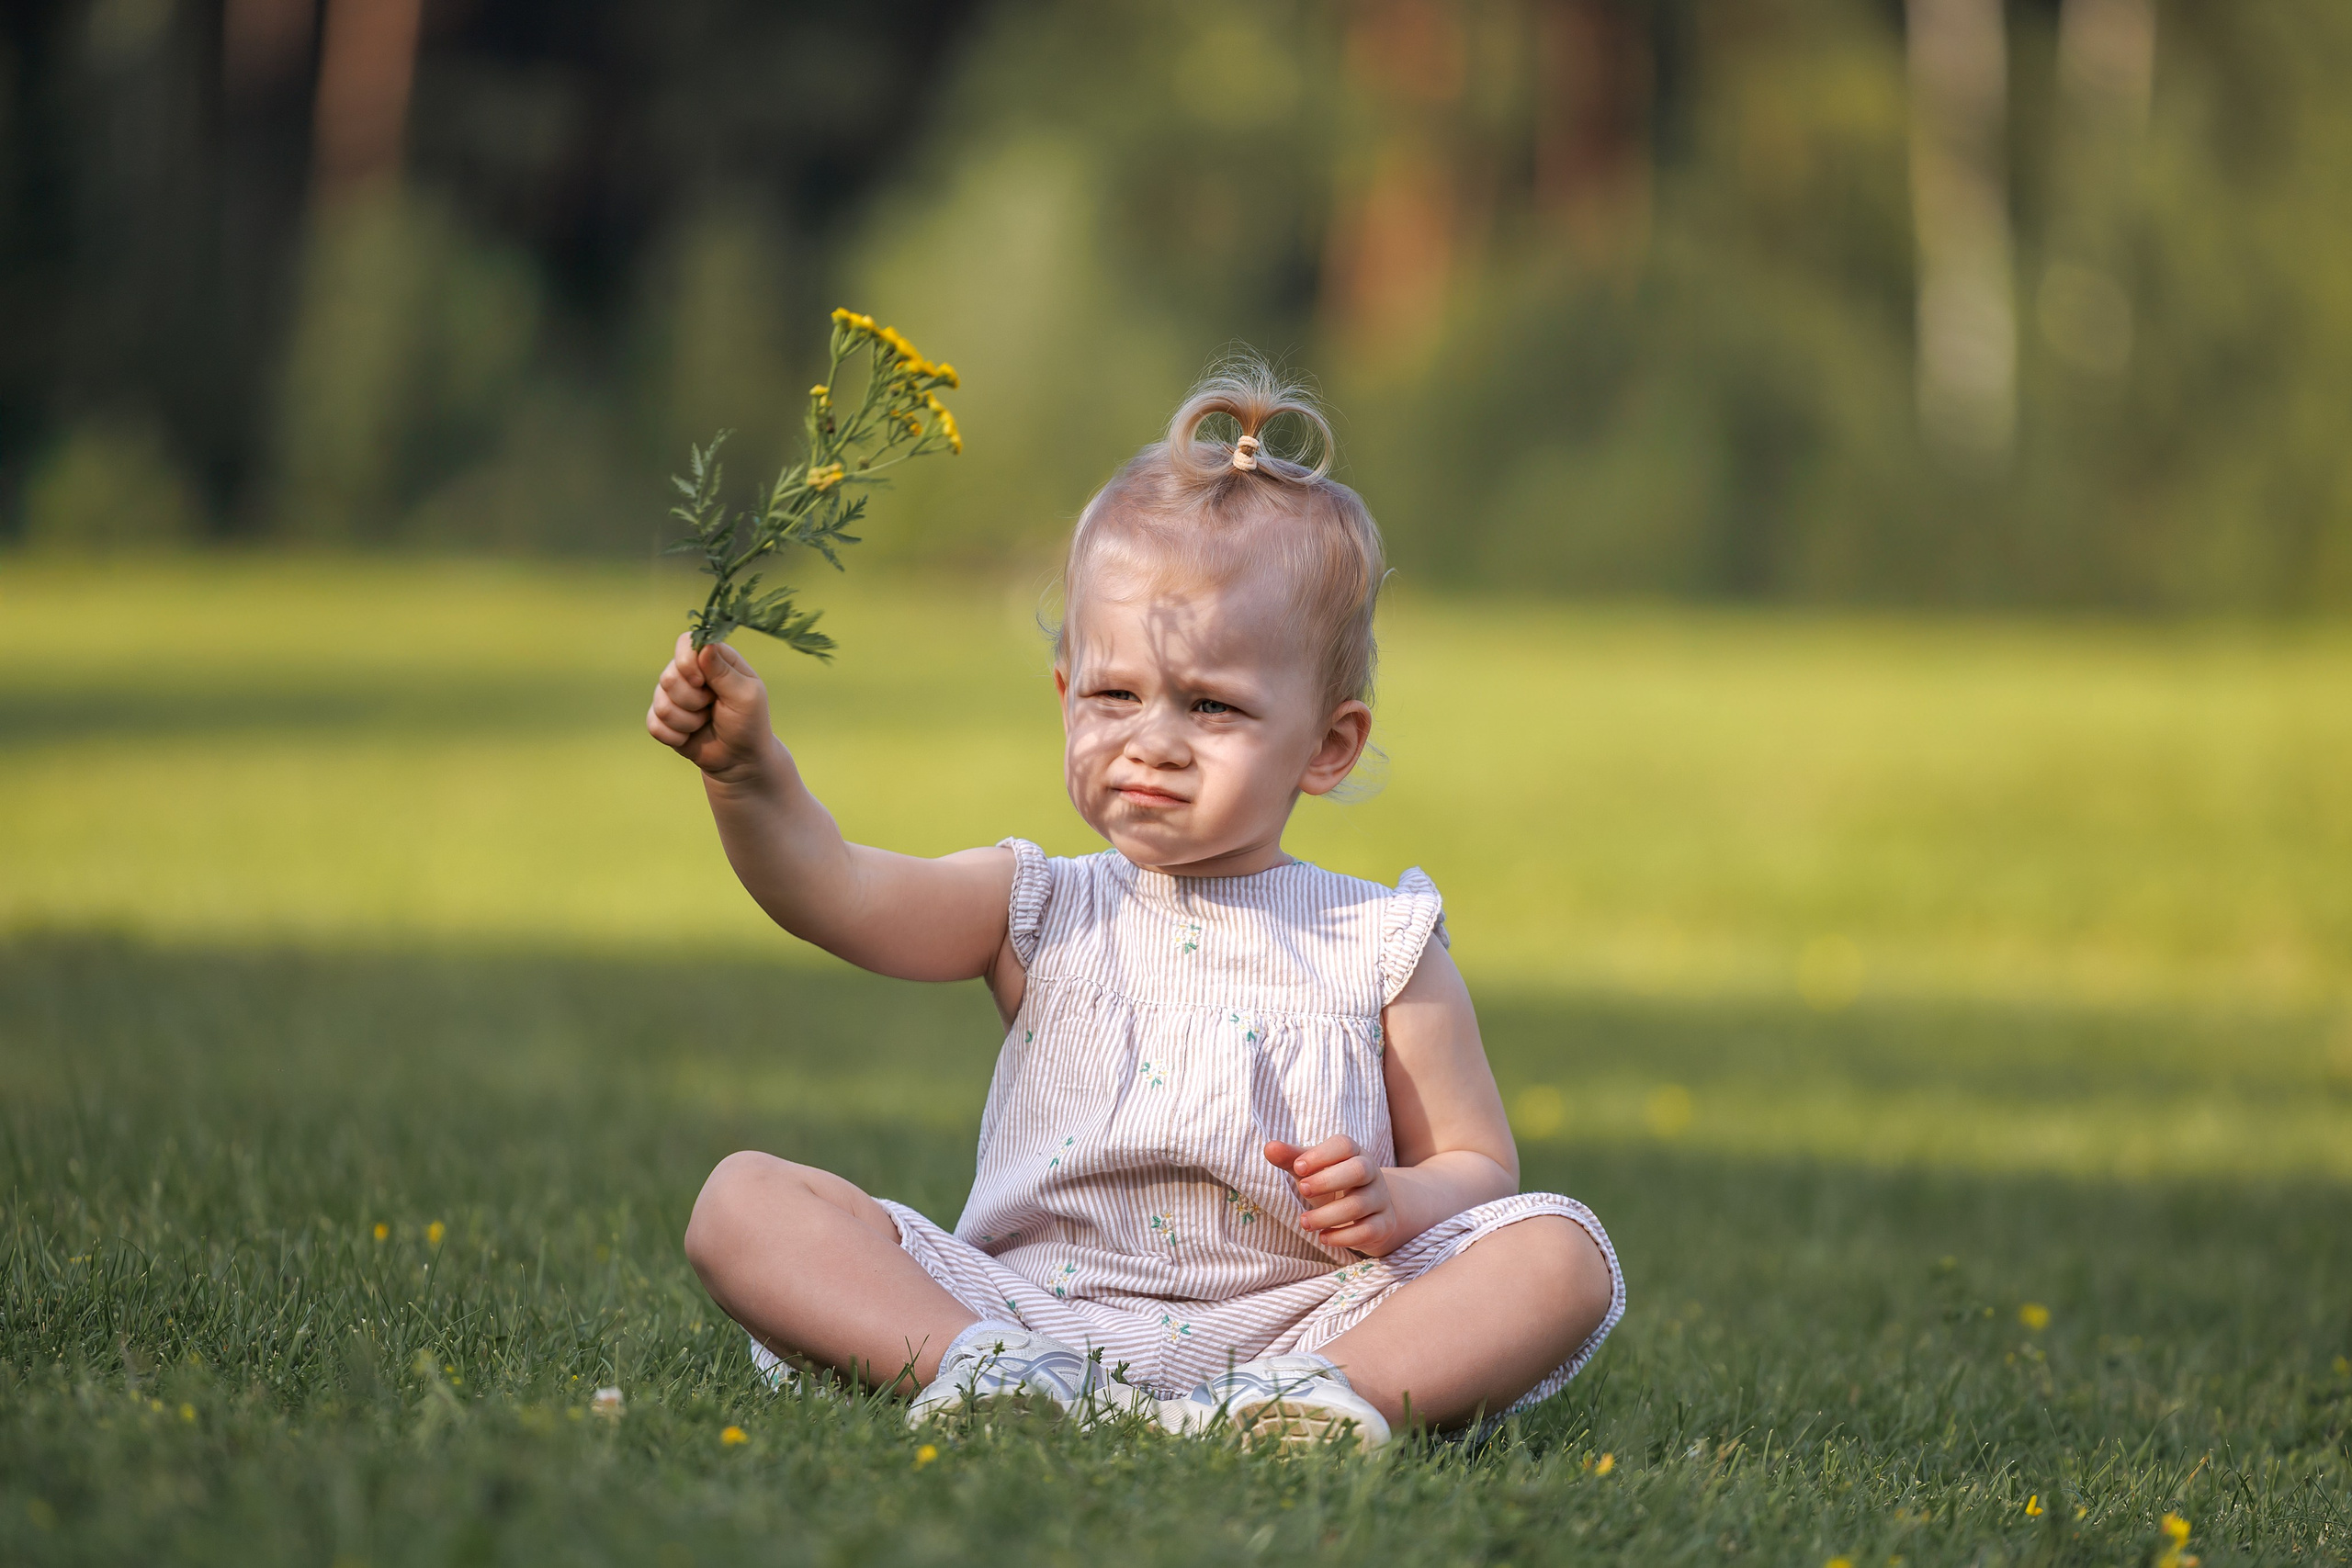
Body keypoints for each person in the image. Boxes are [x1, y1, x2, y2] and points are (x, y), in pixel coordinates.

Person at [647, 355, 1623, 1446]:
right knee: (742, 1199)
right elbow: (834, 890)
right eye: (1114, 694)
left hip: (1297, 1325)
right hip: (1023, 1313)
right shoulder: (1037, 906)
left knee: (1560, 1251)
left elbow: (1478, 1166)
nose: (1149, 741)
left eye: (1210, 705)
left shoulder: (1378, 944)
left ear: (1327, 745)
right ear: (1066, 696)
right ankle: (979, 1375)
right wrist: (748, 777)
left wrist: (1401, 1202)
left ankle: (1309, 1404)